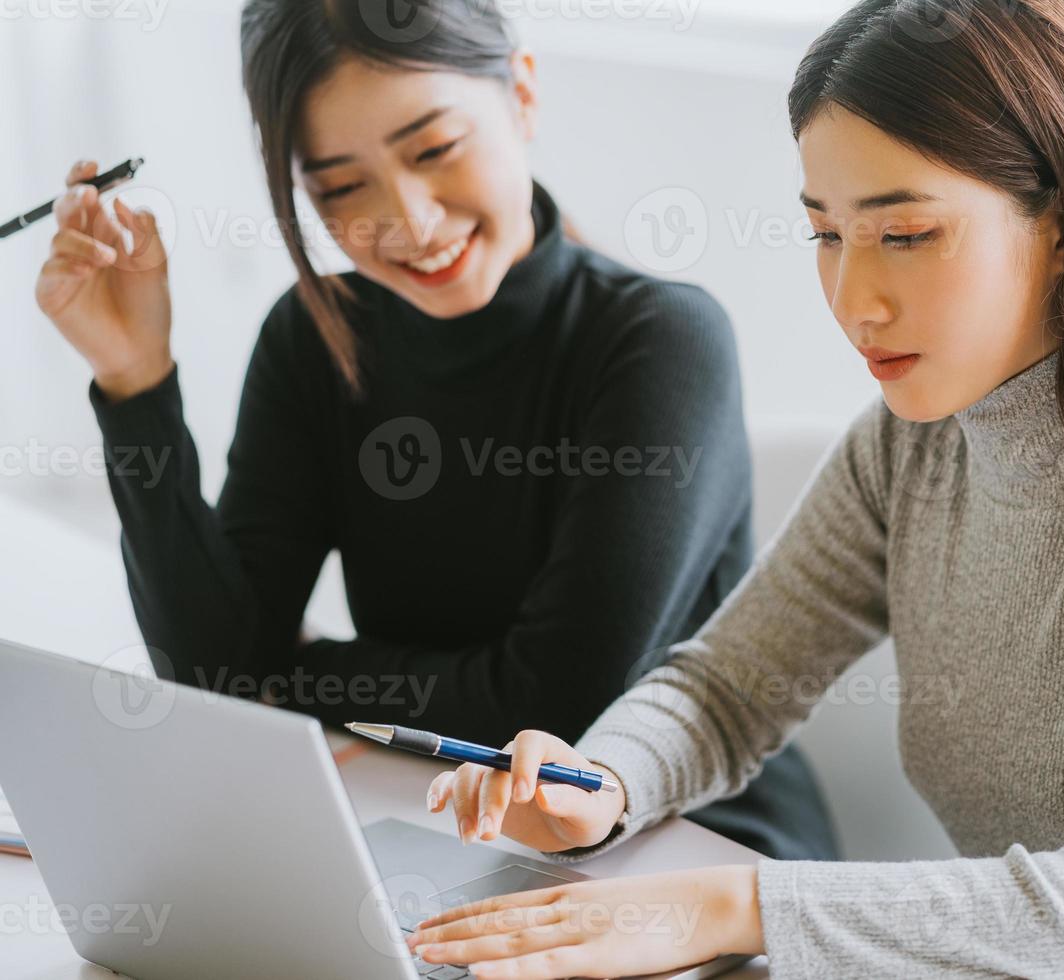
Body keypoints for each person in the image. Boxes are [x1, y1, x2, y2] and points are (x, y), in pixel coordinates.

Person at [408, 1, 1064, 977]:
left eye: (906, 233)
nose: (855, 298)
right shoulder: (915, 450)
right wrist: (602, 782)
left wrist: (733, 904)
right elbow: (728, 687)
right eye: (826, 232)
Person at [31, 0, 838, 863]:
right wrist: (135, 380)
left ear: (521, 94)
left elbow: (552, 715)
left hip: (693, 852)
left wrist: (290, 676)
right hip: (442, 831)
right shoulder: (315, 338)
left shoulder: (662, 342)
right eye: (340, 187)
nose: (409, 222)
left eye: (434, 150)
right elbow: (210, 680)